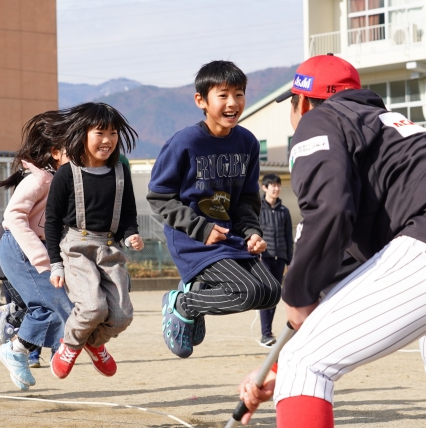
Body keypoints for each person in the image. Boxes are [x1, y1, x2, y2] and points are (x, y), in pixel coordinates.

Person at [237, 54, 426, 428]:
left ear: (302, 101)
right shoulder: (393, 130)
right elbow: (347, 269)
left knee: (307, 363)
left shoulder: (321, 119)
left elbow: (329, 211)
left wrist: (296, 295)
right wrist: (280, 361)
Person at [147, 60, 281, 358]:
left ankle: (192, 300)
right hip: (193, 240)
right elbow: (158, 197)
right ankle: (183, 304)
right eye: (223, 95)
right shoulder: (185, 142)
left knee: (271, 291)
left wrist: (252, 232)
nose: (233, 103)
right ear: (201, 101)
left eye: (239, 94)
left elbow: (246, 198)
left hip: (230, 237)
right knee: (248, 290)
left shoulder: (247, 142)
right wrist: (201, 229)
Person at [45, 102, 144, 379]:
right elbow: (52, 221)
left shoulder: (121, 173)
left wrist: (131, 234)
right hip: (76, 249)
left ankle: (95, 342)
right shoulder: (66, 173)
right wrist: (55, 264)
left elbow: (128, 215)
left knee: (122, 315)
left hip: (110, 248)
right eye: (100, 132)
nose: (107, 140)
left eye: (113, 133)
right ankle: (70, 344)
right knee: (93, 307)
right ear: (82, 134)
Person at [0, 110, 74, 391]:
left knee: (46, 307)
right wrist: (41, 257)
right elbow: (13, 216)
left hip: (41, 248)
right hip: (20, 246)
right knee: (62, 304)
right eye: (73, 146)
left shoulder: (67, 181)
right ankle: (54, 349)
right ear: (54, 152)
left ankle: (16, 349)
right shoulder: (39, 179)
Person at [257, 173, 293, 347]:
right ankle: (265, 333)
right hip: (263, 257)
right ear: (265, 188)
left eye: (278, 185)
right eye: (273, 185)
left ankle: (268, 333)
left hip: (280, 258)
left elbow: (288, 237)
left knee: (274, 296)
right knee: (267, 293)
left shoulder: (284, 211)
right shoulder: (257, 208)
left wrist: (290, 260)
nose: (277, 188)